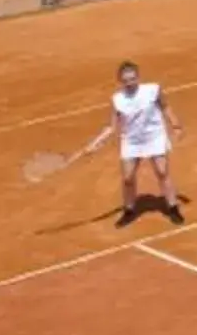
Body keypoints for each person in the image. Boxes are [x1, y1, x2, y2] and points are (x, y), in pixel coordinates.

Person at [75, 60, 182, 226]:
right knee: (127, 178)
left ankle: (173, 207)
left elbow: (165, 107)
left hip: (154, 136)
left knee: (162, 172)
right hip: (132, 141)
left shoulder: (152, 90)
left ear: (138, 77)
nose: (130, 83)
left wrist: (176, 125)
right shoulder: (118, 99)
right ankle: (129, 210)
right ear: (121, 81)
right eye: (126, 80)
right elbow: (112, 127)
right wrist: (95, 144)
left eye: (132, 79)